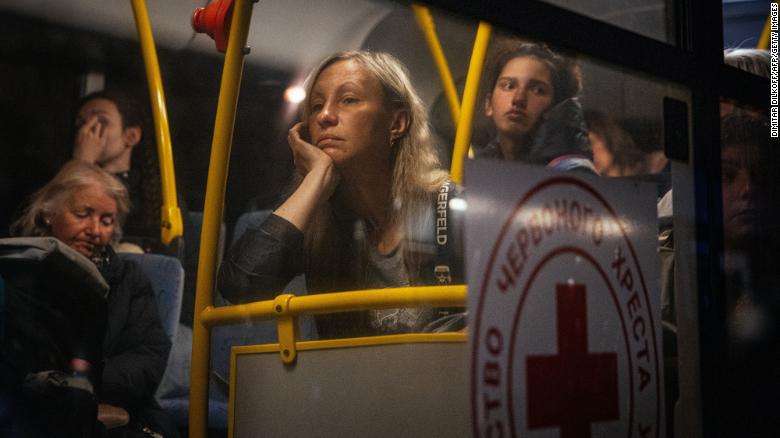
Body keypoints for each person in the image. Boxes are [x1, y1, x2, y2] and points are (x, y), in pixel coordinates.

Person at [218, 51, 463, 339]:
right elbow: (240, 287)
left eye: (348, 100)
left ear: (397, 123)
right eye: (316, 105)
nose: (324, 116)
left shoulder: (449, 210)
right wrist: (315, 180)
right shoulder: (318, 219)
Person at [10, 160, 177, 437]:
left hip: (117, 410)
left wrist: (78, 383)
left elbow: (147, 359)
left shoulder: (128, 280)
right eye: (83, 213)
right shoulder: (21, 271)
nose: (95, 230)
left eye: (106, 221)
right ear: (50, 213)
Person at [477, 40, 596, 173]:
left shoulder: (571, 175)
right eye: (509, 86)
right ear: (489, 104)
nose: (518, 99)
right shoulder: (481, 170)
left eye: (538, 90)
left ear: (557, 107)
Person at [73, 90, 164, 254]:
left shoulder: (151, 192)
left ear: (131, 136)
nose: (86, 131)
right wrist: (82, 164)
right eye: (81, 123)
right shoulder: (60, 180)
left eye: (100, 121)